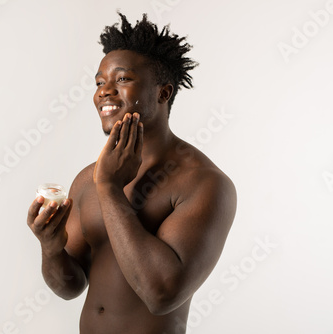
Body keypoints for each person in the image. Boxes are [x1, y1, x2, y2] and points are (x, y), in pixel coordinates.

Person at [27, 12, 237, 334]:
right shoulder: (88, 178)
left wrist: (110, 188)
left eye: (122, 79)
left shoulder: (204, 183)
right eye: (99, 82)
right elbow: (69, 287)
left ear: (163, 93)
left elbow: (161, 295)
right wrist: (51, 248)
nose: (104, 92)